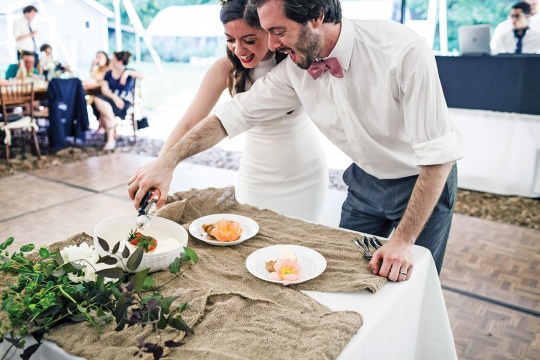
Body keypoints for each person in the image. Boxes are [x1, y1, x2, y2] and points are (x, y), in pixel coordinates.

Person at [128, 0, 464, 282]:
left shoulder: (402, 51)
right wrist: (166, 161)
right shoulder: (293, 69)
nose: (271, 45)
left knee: (412, 280)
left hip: (423, 182)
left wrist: (403, 241)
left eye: (277, 31)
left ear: (316, 16)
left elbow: (438, 154)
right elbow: (229, 118)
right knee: (346, 274)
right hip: (363, 181)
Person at [158, 0, 328, 221]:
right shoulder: (224, 69)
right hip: (254, 174)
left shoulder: (297, 62)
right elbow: (190, 123)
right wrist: (161, 165)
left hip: (304, 175)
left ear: (270, 32)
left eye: (249, 40)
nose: (238, 50)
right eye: (230, 40)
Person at [93, 51, 143, 150]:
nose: (111, 60)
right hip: (112, 99)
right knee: (99, 100)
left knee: (104, 108)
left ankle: (110, 139)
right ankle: (112, 126)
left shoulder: (130, 72)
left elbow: (142, 76)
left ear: (119, 61)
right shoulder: (108, 73)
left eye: (113, 58)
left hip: (123, 103)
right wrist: (115, 98)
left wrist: (127, 72)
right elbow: (105, 89)